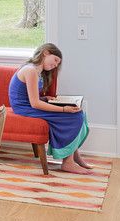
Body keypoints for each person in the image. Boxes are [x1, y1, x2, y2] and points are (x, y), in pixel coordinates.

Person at [8, 42, 91, 175]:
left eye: (58, 64)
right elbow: (34, 104)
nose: (56, 65)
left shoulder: (36, 71)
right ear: (46, 52)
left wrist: (45, 99)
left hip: (28, 105)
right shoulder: (31, 70)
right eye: (56, 60)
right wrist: (63, 109)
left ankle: (74, 156)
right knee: (74, 116)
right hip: (24, 108)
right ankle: (68, 162)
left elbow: (31, 97)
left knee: (79, 113)